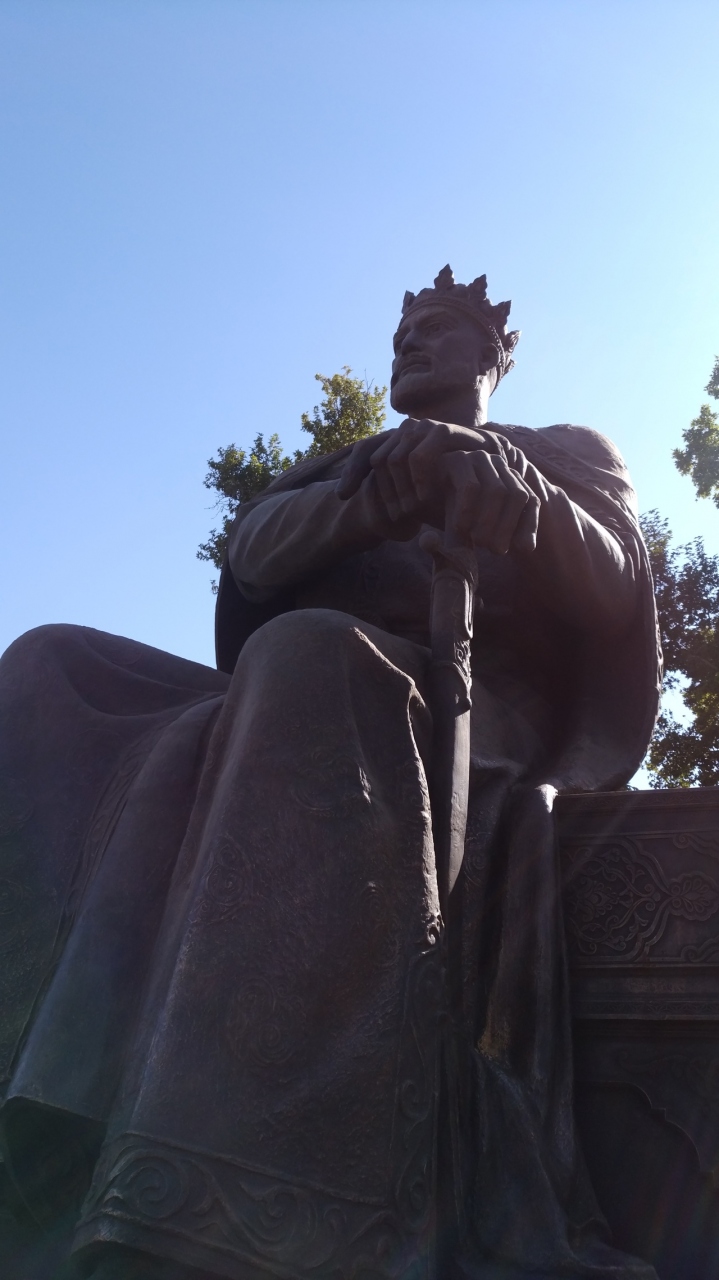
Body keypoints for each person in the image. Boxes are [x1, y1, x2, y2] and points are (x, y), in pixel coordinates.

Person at [0, 267, 660, 1280]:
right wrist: (369, 498)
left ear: (492, 357)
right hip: (280, 701)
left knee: (309, 651)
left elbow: (614, 578)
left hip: (465, 707)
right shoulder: (346, 464)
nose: (409, 345)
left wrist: (515, 494)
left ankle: (246, 1186)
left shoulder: (563, 450)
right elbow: (255, 556)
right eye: (400, 334)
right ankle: (42, 1101)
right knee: (52, 664)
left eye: (434, 329)